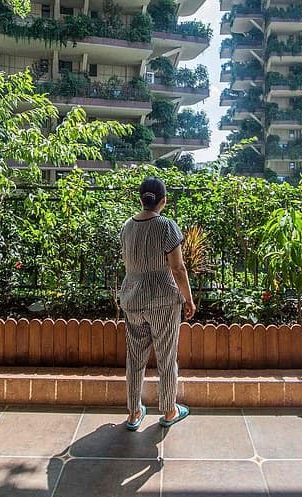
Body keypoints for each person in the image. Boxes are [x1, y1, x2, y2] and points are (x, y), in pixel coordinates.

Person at [118, 176, 196, 430]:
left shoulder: (127, 226)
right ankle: (170, 411)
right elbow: (178, 268)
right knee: (166, 357)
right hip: (163, 300)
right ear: (163, 200)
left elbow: (127, 261)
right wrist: (188, 299)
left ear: (141, 199)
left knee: (135, 358)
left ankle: (133, 413)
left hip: (132, 298)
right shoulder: (166, 226)